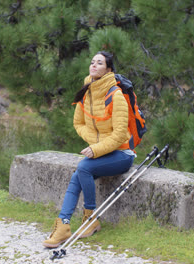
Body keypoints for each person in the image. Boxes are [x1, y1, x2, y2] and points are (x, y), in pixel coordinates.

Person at [43, 51, 136, 248]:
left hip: (122, 154)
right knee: (78, 174)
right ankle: (63, 225)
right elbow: (78, 123)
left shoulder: (116, 95)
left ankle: (91, 217)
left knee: (83, 168)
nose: (93, 65)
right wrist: (97, 145)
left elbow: (120, 134)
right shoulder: (86, 92)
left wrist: (97, 148)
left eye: (99, 63)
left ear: (109, 70)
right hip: (103, 151)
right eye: (92, 62)